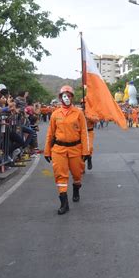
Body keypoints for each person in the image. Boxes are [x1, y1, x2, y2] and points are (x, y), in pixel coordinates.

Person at [44, 86, 90, 215]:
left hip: (76, 149)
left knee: (77, 174)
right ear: (60, 98)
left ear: (72, 98)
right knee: (60, 175)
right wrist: (47, 151)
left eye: (69, 96)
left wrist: (86, 151)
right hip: (59, 149)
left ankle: (76, 188)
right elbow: (50, 134)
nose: (67, 98)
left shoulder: (78, 113)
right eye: (64, 95)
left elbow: (84, 133)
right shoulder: (55, 114)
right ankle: (64, 203)